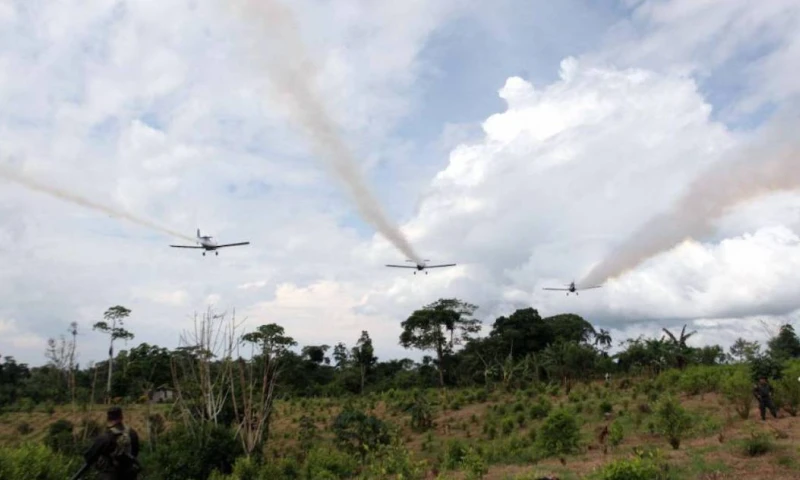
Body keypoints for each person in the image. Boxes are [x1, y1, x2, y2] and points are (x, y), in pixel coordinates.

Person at [82, 406, 141, 479]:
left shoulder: (104, 437)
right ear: (121, 417)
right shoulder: (132, 433)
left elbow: (89, 456)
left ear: (108, 419)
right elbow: (135, 452)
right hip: (129, 475)